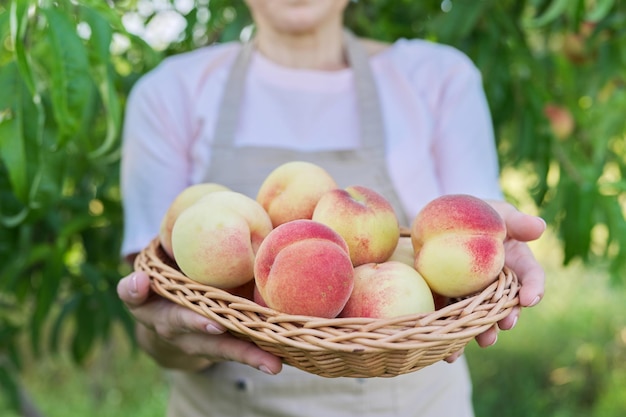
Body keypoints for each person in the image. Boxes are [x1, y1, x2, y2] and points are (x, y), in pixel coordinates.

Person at [116, 1, 546, 416]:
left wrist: (489, 264)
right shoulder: (169, 93)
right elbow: (156, 315)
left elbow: (468, 247)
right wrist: (176, 334)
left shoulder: (438, 79)